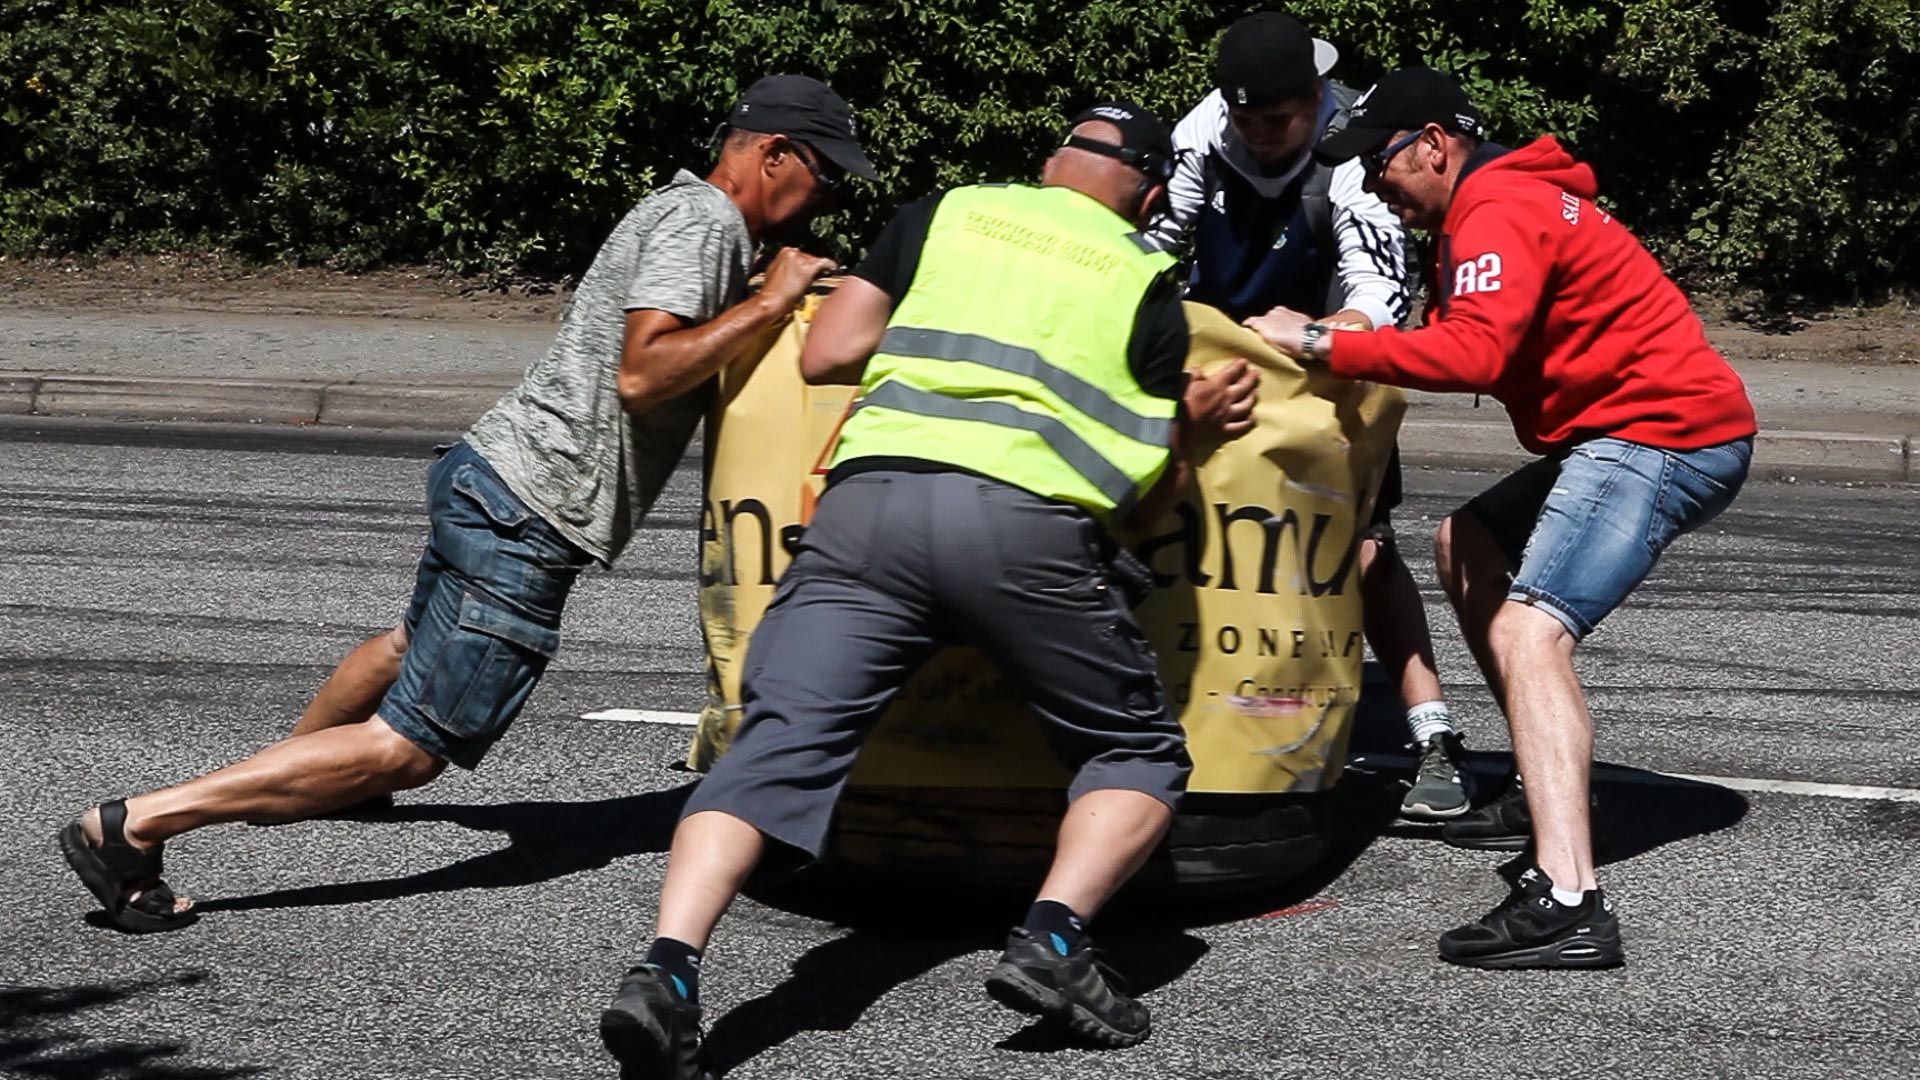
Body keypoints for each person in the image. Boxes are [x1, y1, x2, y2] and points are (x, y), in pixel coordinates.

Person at [55, 74, 874, 934]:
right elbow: (643, 374)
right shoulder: (703, 223)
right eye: (824, 174)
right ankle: (136, 823)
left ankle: (308, 781)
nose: (826, 195)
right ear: (774, 153)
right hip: (533, 505)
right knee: (412, 749)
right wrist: (776, 301)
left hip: (491, 472)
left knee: (410, 647)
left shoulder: (687, 215)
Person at [597, 102, 1259, 1074]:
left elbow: (827, 353)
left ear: (1048, 161)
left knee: (776, 741)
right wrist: (1190, 427)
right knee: (1137, 747)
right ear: (1152, 197)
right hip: (1025, 534)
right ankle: (1056, 939)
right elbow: (1150, 509)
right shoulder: (1147, 283)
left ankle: (668, 969)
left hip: (869, 511)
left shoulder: (943, 216)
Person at [1245, 67, 1757, 969]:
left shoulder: (1497, 206)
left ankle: (1568, 899)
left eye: (1381, 162)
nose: (1369, 184)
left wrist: (1319, 338)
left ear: (1435, 144)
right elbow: (1473, 339)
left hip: (1658, 433)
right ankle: (1540, 784)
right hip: (1632, 429)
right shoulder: (1490, 206)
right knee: (1465, 542)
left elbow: (1475, 350)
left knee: (1530, 632)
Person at [1145, 11, 1470, 820]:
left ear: (1316, 98)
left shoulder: (1358, 159)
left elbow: (1380, 304)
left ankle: (1433, 736)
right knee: (1170, 528)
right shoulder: (1202, 135)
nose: (1259, 136)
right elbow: (1157, 244)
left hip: (1322, 363)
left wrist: (1314, 342)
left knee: (1361, 551)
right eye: (1246, 121)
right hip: (1220, 361)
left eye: (1278, 122)